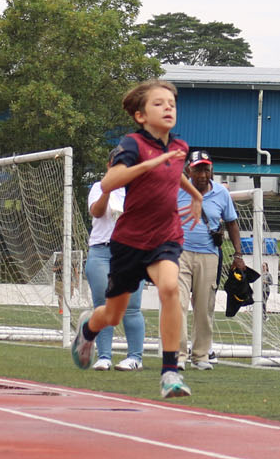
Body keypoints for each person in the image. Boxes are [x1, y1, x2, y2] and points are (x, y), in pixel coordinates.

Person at [73, 80, 202, 400]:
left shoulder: (179, 146)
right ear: (140, 116)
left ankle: (170, 373)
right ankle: (89, 328)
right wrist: (148, 164)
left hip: (166, 236)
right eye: (158, 103)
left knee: (170, 289)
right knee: (113, 315)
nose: (168, 107)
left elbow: (175, 170)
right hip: (130, 241)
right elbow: (109, 182)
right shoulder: (131, 145)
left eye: (171, 103)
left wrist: (196, 195)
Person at [177, 150, 243, 371]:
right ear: (189, 170)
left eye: (206, 169)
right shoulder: (178, 190)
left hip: (209, 255)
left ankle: (201, 355)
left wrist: (238, 254)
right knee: (177, 304)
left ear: (211, 170)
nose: (203, 174)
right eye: (198, 170)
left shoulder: (221, 194)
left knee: (205, 307)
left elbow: (232, 223)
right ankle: (177, 355)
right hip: (180, 253)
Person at [85, 162, 147, 372]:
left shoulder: (139, 190)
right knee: (103, 304)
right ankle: (104, 356)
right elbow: (97, 212)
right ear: (109, 166)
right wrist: (107, 189)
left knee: (131, 306)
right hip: (101, 251)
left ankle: (135, 357)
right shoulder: (98, 187)